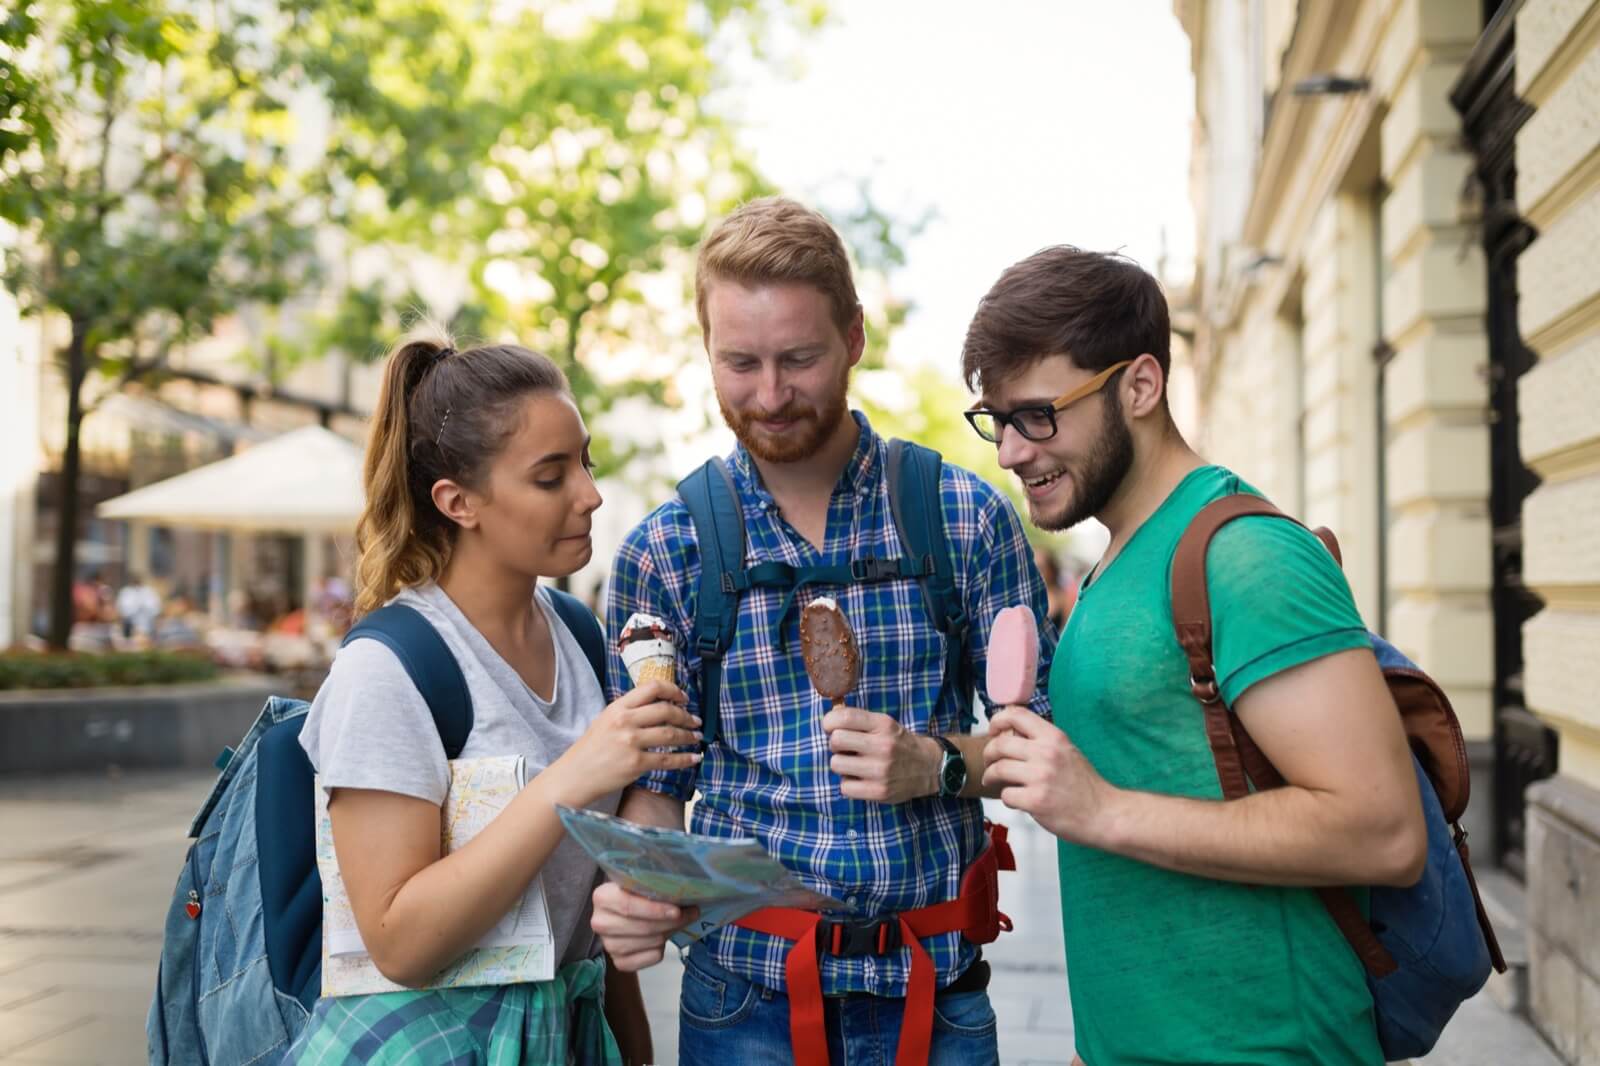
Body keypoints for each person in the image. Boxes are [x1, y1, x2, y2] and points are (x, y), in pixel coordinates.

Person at [589, 197, 1055, 1066]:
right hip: (743, 1003)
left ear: (854, 337)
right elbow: (656, 783)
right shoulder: (665, 551)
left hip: (935, 988)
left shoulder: (961, 520)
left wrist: (937, 763)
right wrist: (639, 889)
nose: (768, 394)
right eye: (740, 363)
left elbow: (1051, 745)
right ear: (707, 351)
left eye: (798, 358)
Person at [961, 246, 1427, 1066]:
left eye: (1038, 414)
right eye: (996, 420)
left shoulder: (1245, 554)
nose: (1009, 451)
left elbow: (1382, 832)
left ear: (1140, 386)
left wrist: (1100, 808)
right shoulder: (1114, 564)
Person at [285, 326, 701, 1065]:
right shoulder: (388, 669)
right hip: (433, 1042)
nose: (590, 495)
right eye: (551, 477)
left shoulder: (579, 635)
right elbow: (400, 942)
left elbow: (586, 938)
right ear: (458, 501)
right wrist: (576, 776)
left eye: (585, 462)